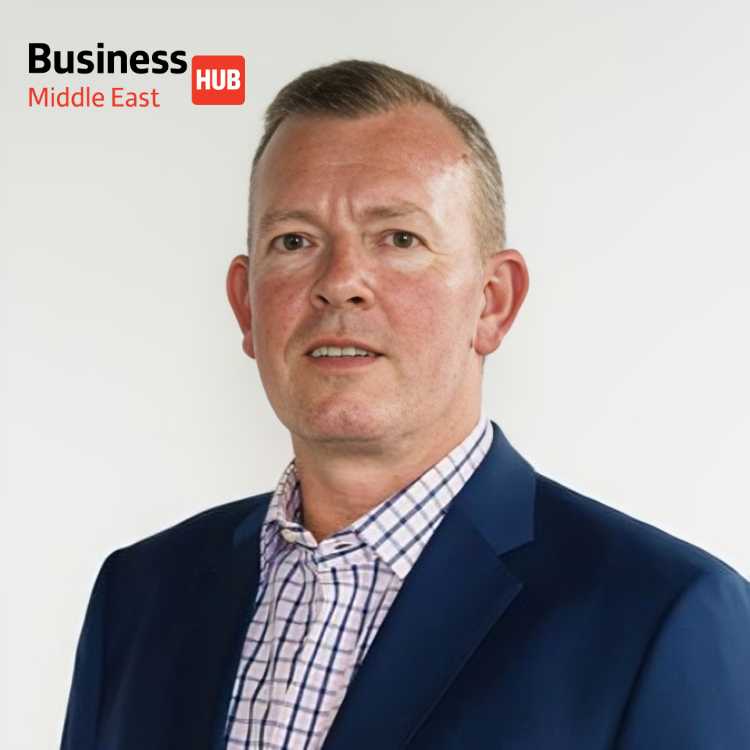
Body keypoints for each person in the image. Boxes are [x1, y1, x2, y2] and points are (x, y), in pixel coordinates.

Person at [61, 60, 750, 750]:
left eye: (399, 238)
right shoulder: (138, 595)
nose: (340, 282)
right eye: (294, 241)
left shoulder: (662, 615)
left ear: (492, 302)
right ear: (246, 306)